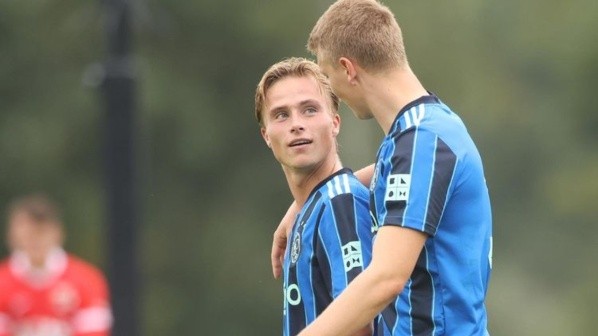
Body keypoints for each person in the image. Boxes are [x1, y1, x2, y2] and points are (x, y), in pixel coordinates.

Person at [271, 1, 493, 335]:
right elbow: (391, 173)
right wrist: (307, 203)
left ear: (348, 69)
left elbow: (385, 279)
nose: (336, 94)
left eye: (329, 79)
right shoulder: (421, 134)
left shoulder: (422, 140)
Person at [255, 57, 375, 336]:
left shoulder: (339, 202)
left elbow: (360, 324)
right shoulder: (314, 209)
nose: (296, 124)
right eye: (281, 115)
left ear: (335, 123)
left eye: (309, 110)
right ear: (266, 136)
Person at [0, 193, 113, 336]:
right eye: (29, 234)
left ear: (58, 233)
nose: (36, 240)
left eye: (41, 233)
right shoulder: (2, 281)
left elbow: (95, 332)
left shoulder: (87, 279)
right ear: (13, 235)